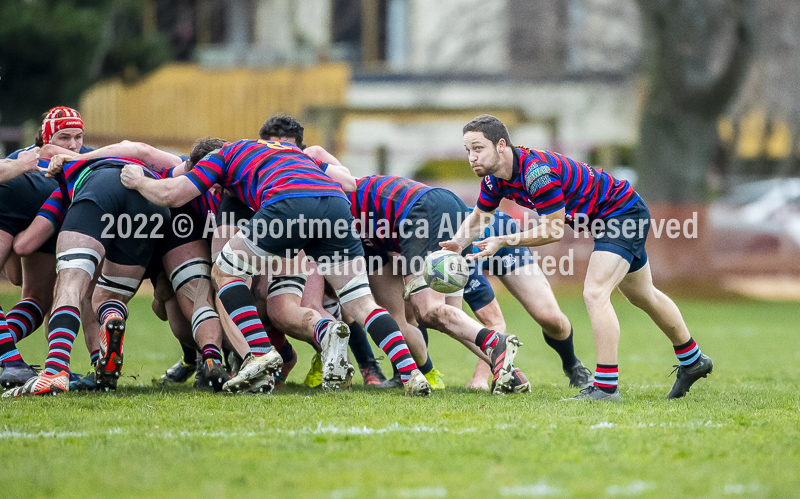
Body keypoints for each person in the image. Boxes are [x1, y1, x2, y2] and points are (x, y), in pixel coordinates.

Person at [119, 138, 431, 396]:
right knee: (361, 302)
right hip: (336, 204)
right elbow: (346, 182)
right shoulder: (286, 150)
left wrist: (139, 181)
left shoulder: (222, 156)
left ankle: (259, 350)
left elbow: (172, 195)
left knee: (224, 270)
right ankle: (411, 374)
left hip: (290, 202)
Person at [442, 114, 713, 401]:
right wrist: (457, 244)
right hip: (607, 219)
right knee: (643, 295)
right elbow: (479, 218)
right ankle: (693, 360)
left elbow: (554, 229)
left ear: (500, 145)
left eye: (478, 148)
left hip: (621, 214)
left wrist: (505, 239)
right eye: (468, 150)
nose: (472, 157)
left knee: (595, 293)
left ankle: (606, 387)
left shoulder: (536, 174)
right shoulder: (495, 181)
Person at [461, 208, 593, 391]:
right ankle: (421, 371)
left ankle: (572, 365)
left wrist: (479, 379)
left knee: (550, 318)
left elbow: (494, 322)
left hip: (502, 232)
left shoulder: (461, 249)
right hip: (468, 251)